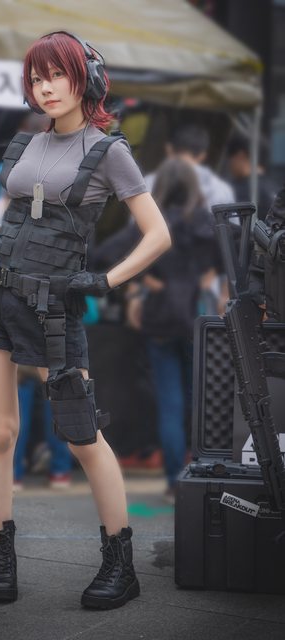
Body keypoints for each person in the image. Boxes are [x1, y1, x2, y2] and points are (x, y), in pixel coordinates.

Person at [0, 31, 170, 610]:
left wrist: (105, 281)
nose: (45, 87)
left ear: (85, 78)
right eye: (36, 78)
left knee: (81, 433)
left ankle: (120, 564)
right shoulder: (25, 141)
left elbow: (158, 234)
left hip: (53, 309)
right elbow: (13, 218)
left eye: (56, 75)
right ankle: (1, 558)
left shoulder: (109, 150)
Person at [127, 158, 217, 502]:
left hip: (161, 317)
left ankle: (173, 483)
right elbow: (223, 263)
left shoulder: (152, 221)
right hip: (199, 317)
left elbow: (116, 255)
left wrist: (144, 285)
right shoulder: (205, 220)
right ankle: (203, 476)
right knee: (204, 399)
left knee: (169, 403)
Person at [227, 134, 277, 221]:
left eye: (230, 158)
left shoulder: (235, 190)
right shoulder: (275, 189)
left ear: (240, 156)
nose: (229, 164)